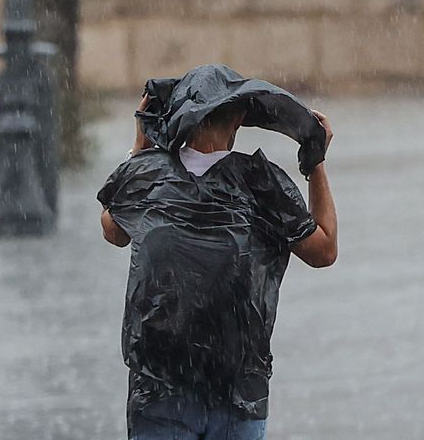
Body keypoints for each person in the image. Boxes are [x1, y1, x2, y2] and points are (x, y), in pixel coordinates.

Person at [98, 66, 338, 440]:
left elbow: (113, 231)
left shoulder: (148, 175)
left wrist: (140, 149)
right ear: (241, 115)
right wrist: (315, 163)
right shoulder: (261, 181)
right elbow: (324, 250)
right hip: (237, 393)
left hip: (161, 391)